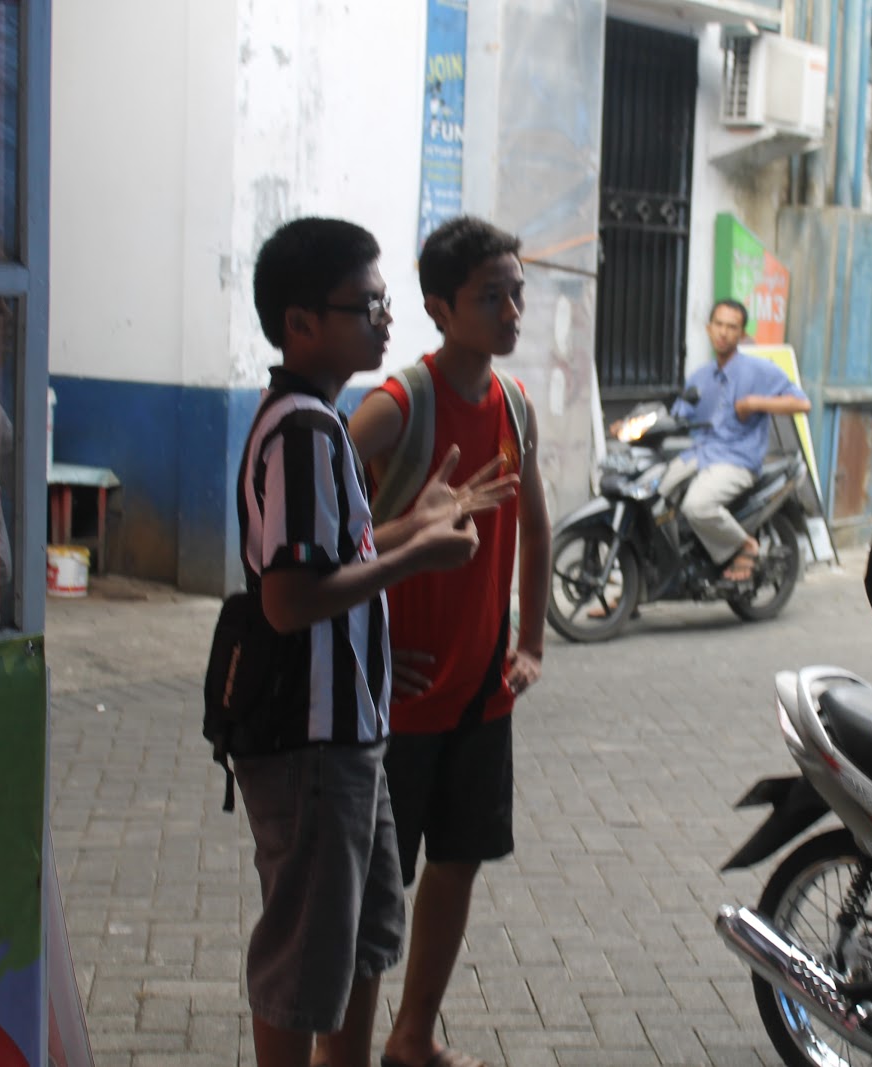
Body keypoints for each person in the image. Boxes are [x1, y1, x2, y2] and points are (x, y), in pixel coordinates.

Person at [235, 217, 505, 1067]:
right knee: (304, 953)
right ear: (300, 322)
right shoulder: (305, 433)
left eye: (385, 304)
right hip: (312, 738)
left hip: (350, 731)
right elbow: (289, 600)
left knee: (359, 933)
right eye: (366, 306)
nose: (386, 321)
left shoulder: (315, 420)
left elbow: (331, 554)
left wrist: (413, 524)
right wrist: (418, 556)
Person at [346, 215, 551, 1067]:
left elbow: (535, 525)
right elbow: (322, 536)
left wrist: (530, 640)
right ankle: (342, 1051)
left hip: (480, 690)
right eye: (491, 296)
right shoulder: (397, 406)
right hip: (399, 695)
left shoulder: (514, 404)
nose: (512, 311)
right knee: (372, 889)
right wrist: (365, 653)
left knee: (459, 860)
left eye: (517, 293)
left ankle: (411, 1036)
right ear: (439, 308)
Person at [658, 299, 811, 581]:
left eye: (731, 327)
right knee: (653, 498)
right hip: (698, 455)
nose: (723, 332)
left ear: (742, 334)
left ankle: (745, 546)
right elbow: (678, 414)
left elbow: (802, 403)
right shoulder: (701, 376)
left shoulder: (758, 370)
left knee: (696, 506)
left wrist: (756, 402)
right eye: (719, 325)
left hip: (737, 460)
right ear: (708, 328)